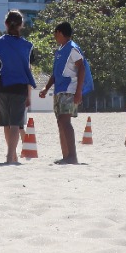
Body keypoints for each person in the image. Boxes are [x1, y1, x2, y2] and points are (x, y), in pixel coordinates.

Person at [0, 10, 37, 164]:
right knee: (16, 123)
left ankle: (12, 154)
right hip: (20, 87)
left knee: (6, 123)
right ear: (21, 25)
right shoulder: (27, 46)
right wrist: (29, 95)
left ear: (6, 24)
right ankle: (11, 157)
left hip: (3, 86)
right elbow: (28, 71)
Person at [39, 21, 87, 164]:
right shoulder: (60, 50)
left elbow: (82, 68)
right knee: (60, 122)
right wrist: (46, 88)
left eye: (55, 33)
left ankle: (72, 156)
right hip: (59, 90)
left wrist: (79, 92)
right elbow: (55, 73)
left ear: (60, 33)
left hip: (69, 89)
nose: (54, 36)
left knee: (65, 122)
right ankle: (66, 156)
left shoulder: (72, 48)